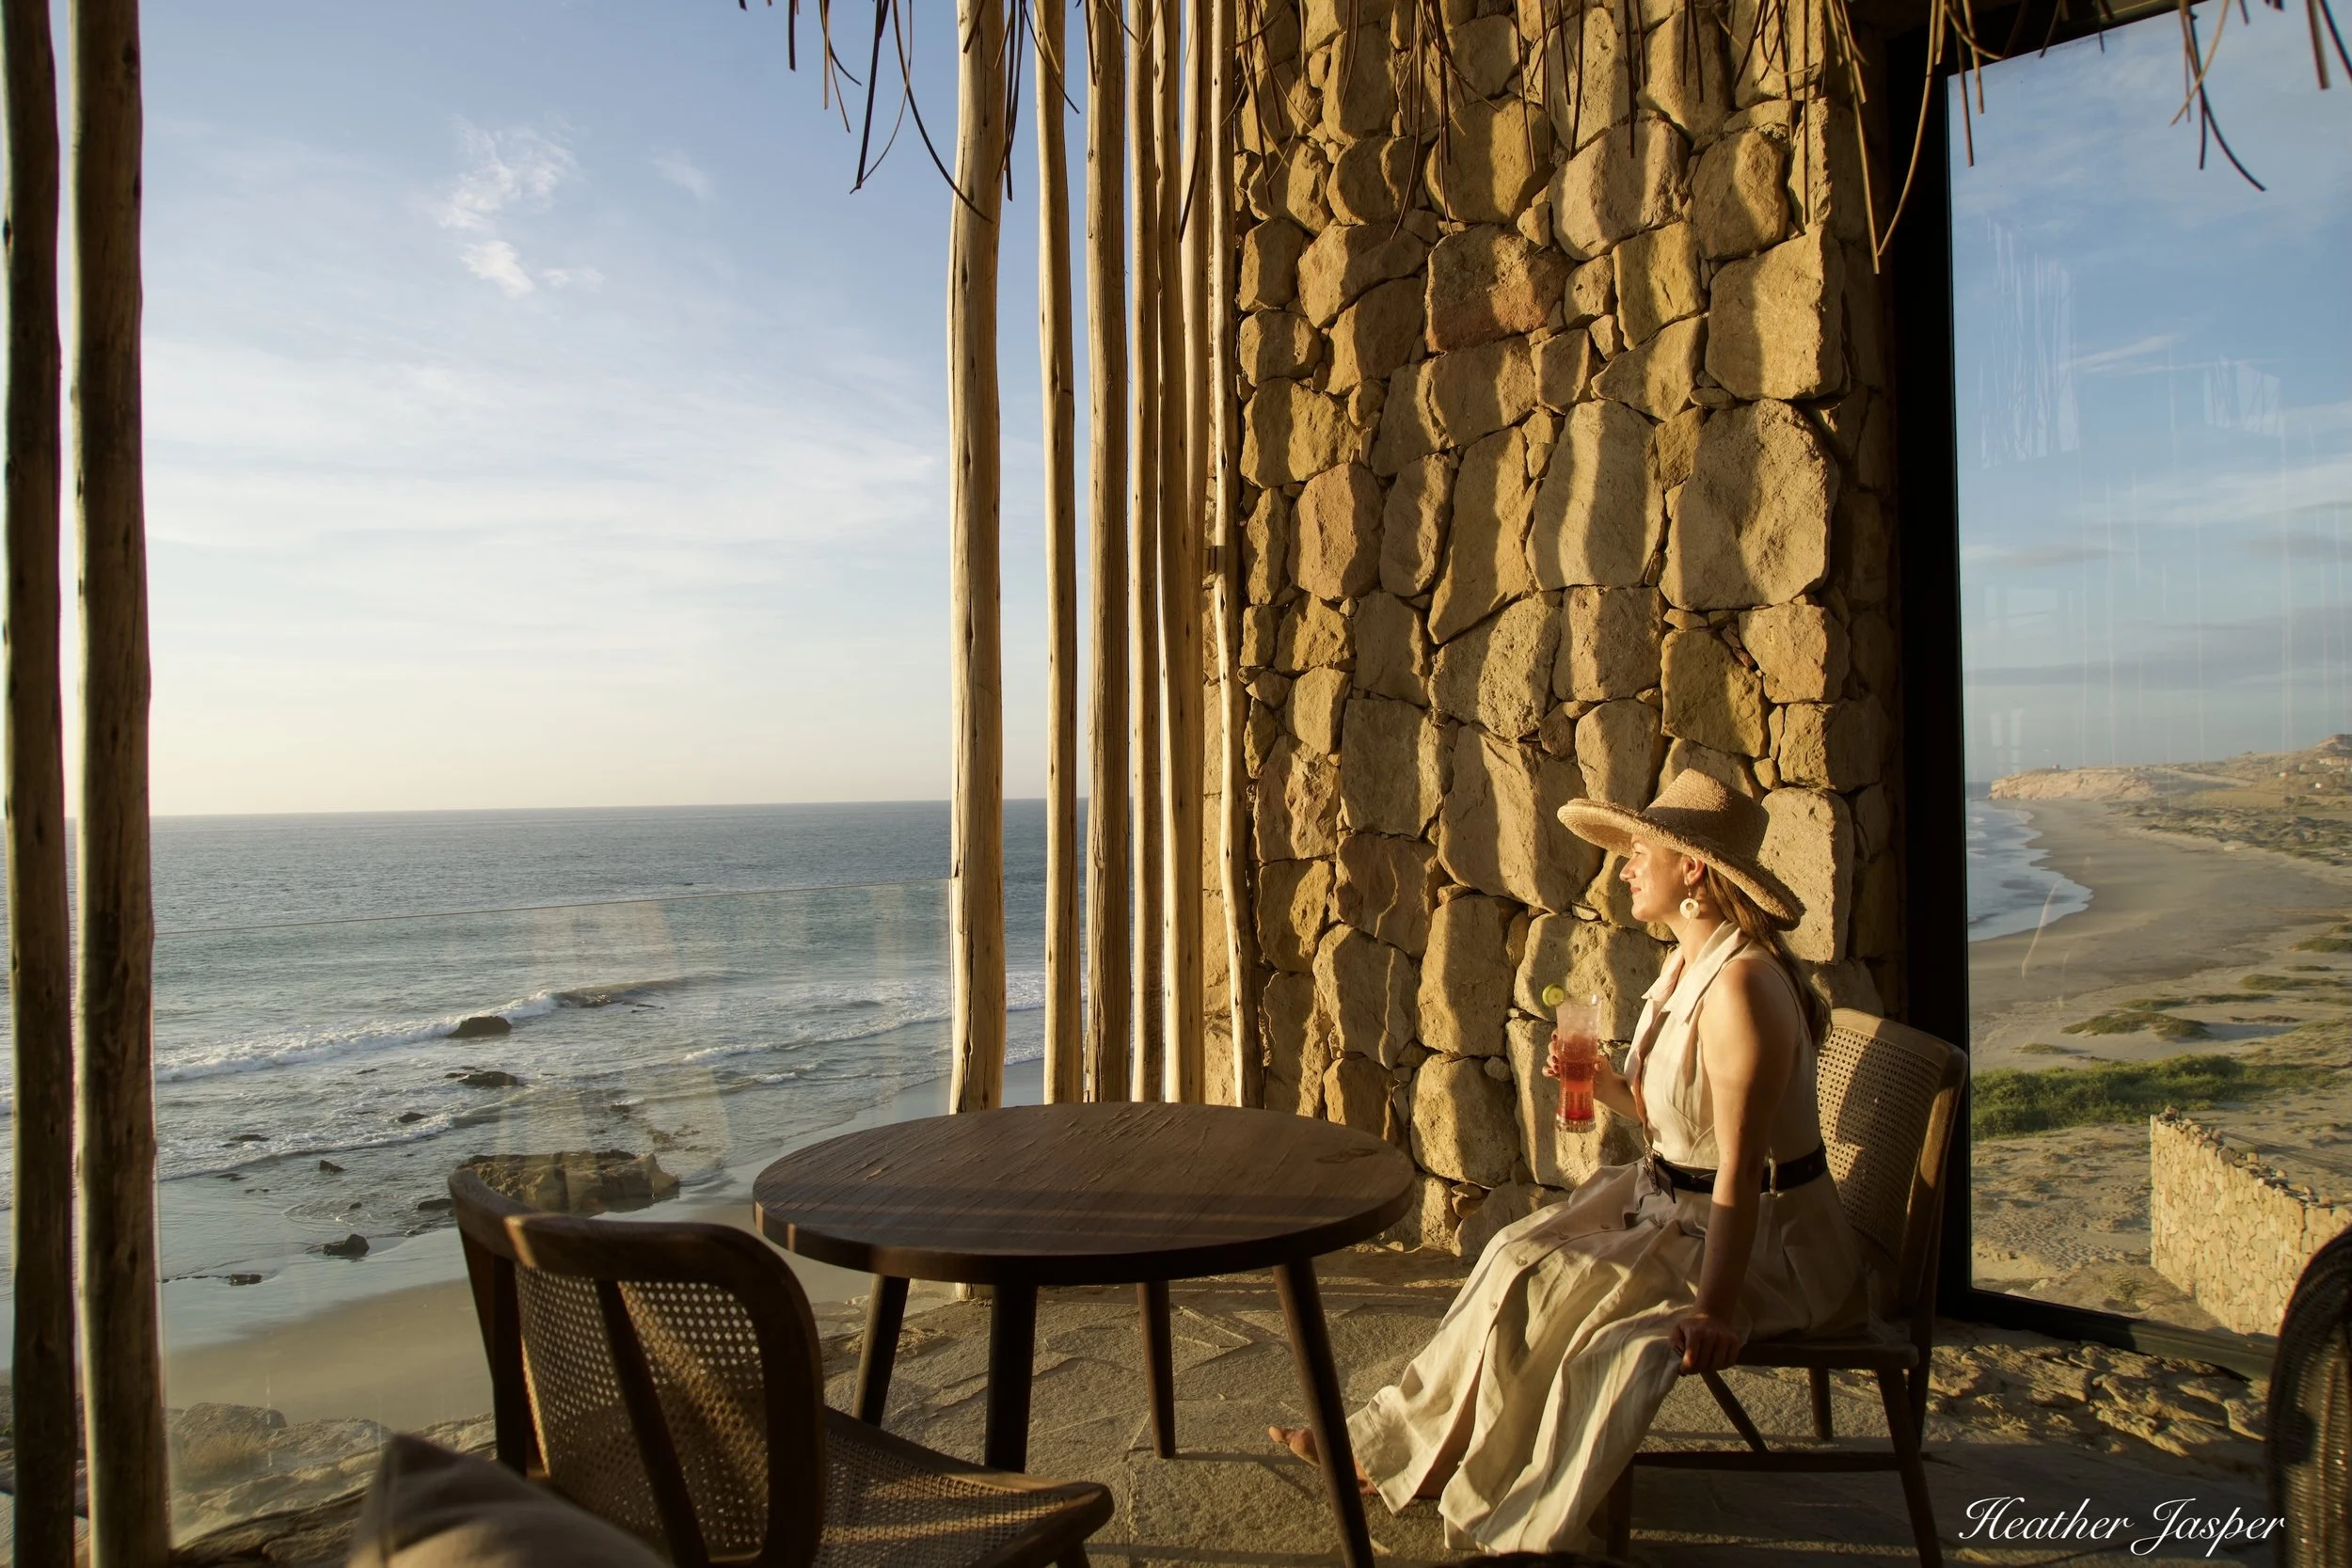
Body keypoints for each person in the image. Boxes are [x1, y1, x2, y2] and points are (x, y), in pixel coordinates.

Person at [1270, 769, 1871, 1555]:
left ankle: (1505, 1498)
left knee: (1554, 1288)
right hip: (1676, 1205)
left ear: (1692, 868)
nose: (1625, 865)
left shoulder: (1743, 989)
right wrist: (1606, 1087)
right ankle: (1397, 1445)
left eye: (1640, 850)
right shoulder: (1686, 967)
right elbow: (1678, 1119)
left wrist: (1716, 1310)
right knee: (1512, 1253)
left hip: (1759, 1247)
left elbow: (1739, 1170)